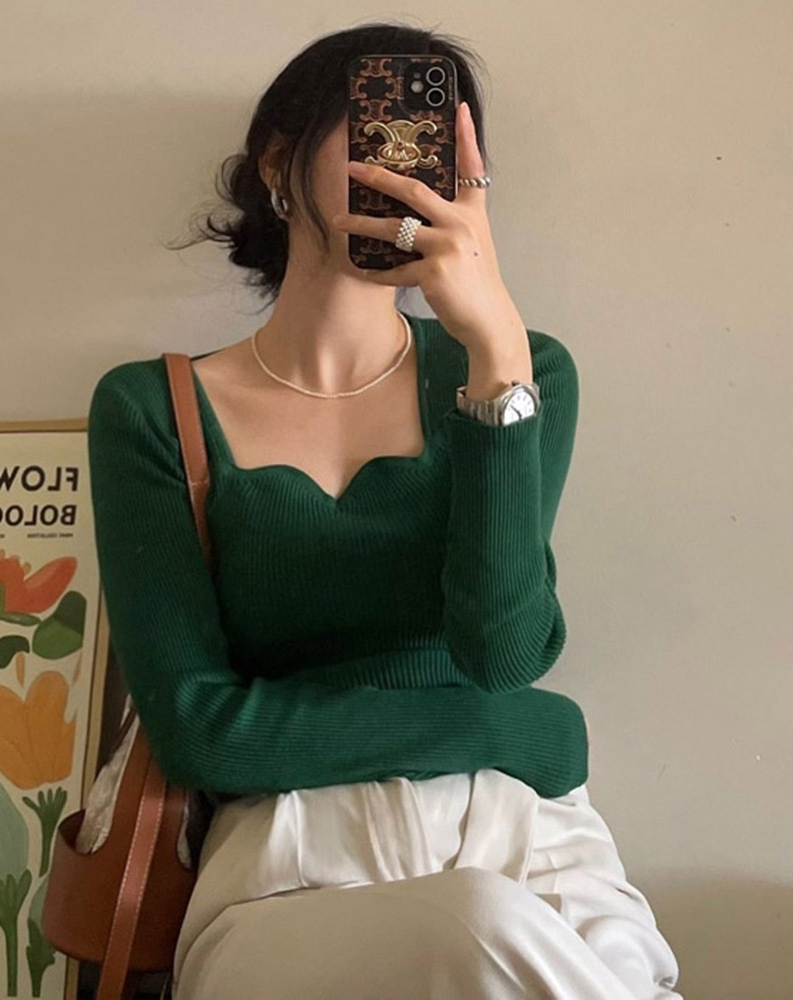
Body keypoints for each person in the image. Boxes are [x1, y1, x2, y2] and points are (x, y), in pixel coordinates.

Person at [86, 21, 684, 1000]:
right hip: (286, 861)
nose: (409, 171)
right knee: (476, 926)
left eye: (437, 147)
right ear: (278, 164)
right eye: (380, 132)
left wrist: (495, 353)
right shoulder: (153, 409)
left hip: (533, 847)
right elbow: (203, 733)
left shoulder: (525, 371)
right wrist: (522, 731)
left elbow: (502, 654)